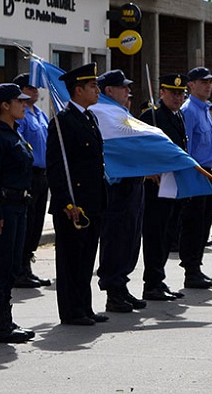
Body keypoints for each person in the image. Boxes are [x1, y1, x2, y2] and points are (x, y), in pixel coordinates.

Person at [46, 63, 108, 326]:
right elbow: (57, 167)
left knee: (86, 257)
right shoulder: (62, 122)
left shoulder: (89, 118)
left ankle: (84, 306)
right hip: (73, 203)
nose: (97, 90)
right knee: (71, 259)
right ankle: (72, 311)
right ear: (78, 90)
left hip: (92, 200)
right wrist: (66, 202)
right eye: (93, 86)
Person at [0, 83, 36, 343]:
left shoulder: (14, 132)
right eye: (19, 102)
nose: (24, 105)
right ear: (5, 105)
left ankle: (6, 319)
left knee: (11, 267)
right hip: (3, 208)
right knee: (0, 267)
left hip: (18, 206)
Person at [92, 69, 147, 313]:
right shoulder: (101, 113)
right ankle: (113, 290)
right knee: (116, 237)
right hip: (117, 184)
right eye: (122, 87)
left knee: (131, 236)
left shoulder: (119, 112)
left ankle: (122, 285)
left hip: (134, 181)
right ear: (108, 91)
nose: (128, 91)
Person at [139, 73, 189, 301]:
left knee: (168, 234)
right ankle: (152, 283)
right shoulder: (152, 116)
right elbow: (141, 146)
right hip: (157, 184)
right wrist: (148, 169)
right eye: (173, 93)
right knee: (155, 234)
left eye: (181, 94)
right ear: (162, 93)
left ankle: (159, 279)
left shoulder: (178, 116)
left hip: (173, 182)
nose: (178, 98)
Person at [179, 66, 212, 289]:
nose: (208, 86)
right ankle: (191, 270)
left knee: (204, 224)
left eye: (210, 82)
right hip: (197, 175)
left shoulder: (204, 110)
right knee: (194, 225)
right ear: (191, 85)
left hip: (210, 175)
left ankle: (196, 267)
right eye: (203, 82)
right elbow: (186, 148)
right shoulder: (189, 110)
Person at [12, 73, 51, 289]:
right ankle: (19, 268)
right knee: (27, 224)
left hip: (42, 175)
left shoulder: (40, 115)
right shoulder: (21, 115)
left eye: (36, 87)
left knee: (36, 224)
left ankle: (27, 265)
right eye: (29, 87)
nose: (35, 90)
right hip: (29, 173)